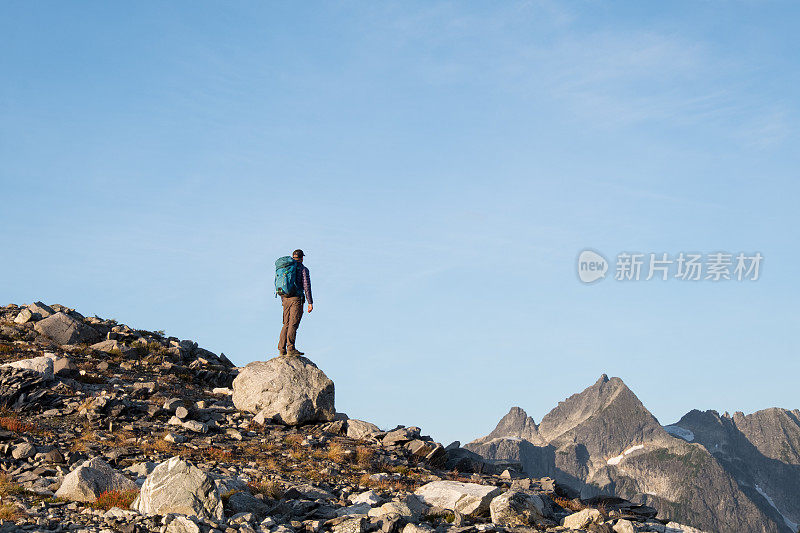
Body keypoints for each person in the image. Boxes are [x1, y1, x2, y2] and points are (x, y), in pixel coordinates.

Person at [278, 249, 313, 356]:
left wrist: (284, 299)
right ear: (302, 258)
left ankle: (281, 349)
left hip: (285, 298)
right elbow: (306, 286)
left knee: (286, 324)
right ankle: (291, 349)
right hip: (296, 299)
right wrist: (310, 302)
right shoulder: (303, 269)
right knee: (293, 323)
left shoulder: (286, 268)